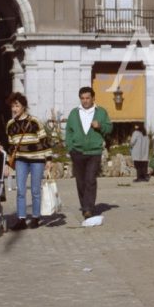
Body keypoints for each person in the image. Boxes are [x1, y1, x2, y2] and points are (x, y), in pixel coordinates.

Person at [6, 92, 53, 230]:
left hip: (37, 160)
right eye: (12, 106)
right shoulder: (10, 124)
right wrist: (8, 164)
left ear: (24, 106)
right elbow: (11, 145)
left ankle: (35, 218)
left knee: (35, 190)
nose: (14, 109)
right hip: (21, 160)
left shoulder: (35, 122)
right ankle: (21, 219)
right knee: (20, 190)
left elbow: (44, 141)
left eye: (17, 106)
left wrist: (48, 159)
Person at [65, 86, 113, 219]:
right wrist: (70, 147)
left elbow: (109, 128)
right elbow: (68, 131)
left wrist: (100, 126)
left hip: (94, 152)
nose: (85, 101)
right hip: (77, 151)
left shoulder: (101, 112)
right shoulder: (74, 113)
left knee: (90, 180)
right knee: (80, 181)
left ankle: (88, 208)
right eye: (82, 98)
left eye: (87, 98)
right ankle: (85, 205)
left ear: (93, 98)